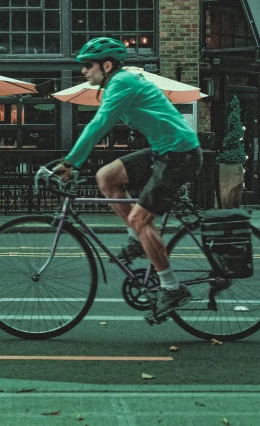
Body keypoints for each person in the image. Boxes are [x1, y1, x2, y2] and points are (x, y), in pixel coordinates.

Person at [52, 37, 202, 323]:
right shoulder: (117, 83)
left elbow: (99, 124)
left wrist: (70, 162)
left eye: (88, 65)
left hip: (179, 154)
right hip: (164, 149)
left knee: (139, 218)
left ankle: (171, 287)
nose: (84, 71)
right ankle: (136, 239)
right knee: (106, 176)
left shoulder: (121, 83)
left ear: (107, 65)